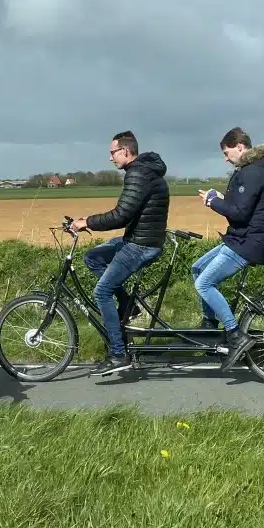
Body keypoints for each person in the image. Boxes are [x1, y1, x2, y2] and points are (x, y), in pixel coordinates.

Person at [70, 130, 170, 376]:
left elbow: (122, 214)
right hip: (138, 239)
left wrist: (88, 222)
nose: (110, 158)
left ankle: (118, 354)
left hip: (142, 244)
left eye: (113, 152)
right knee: (92, 257)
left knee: (102, 291)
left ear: (125, 151)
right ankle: (128, 305)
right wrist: (88, 220)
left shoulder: (138, 174)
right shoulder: (143, 171)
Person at [194, 127, 264, 370]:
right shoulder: (256, 170)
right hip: (244, 238)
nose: (225, 158)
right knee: (197, 268)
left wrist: (213, 202)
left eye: (226, 152)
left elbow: (239, 214)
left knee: (204, 283)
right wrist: (220, 197)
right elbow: (241, 206)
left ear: (240, 147)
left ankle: (236, 336)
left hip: (249, 243)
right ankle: (209, 325)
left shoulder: (252, 172)